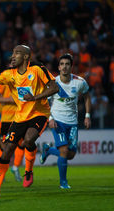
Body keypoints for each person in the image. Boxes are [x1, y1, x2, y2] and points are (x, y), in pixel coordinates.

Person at [0, 45, 59, 198]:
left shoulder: (38, 69)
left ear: (26, 57)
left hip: (39, 113)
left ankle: (28, 170)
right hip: (20, 117)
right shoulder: (9, 74)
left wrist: (35, 97)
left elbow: (54, 87)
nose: (13, 56)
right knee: (7, 150)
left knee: (28, 140)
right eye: (12, 53)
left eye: (17, 53)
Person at [39, 53, 91, 189]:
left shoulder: (80, 82)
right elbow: (45, 102)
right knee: (63, 151)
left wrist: (87, 115)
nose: (64, 67)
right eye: (62, 64)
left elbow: (87, 97)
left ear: (71, 66)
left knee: (71, 154)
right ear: (59, 67)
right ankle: (63, 182)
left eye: (67, 64)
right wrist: (50, 118)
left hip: (73, 123)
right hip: (58, 122)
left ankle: (48, 150)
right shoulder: (53, 83)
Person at [0, 84, 24, 182]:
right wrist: (11, 100)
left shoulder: (24, 81)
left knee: (22, 144)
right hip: (6, 120)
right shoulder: (4, 83)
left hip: (20, 119)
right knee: (3, 146)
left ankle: (16, 167)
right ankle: (1, 171)